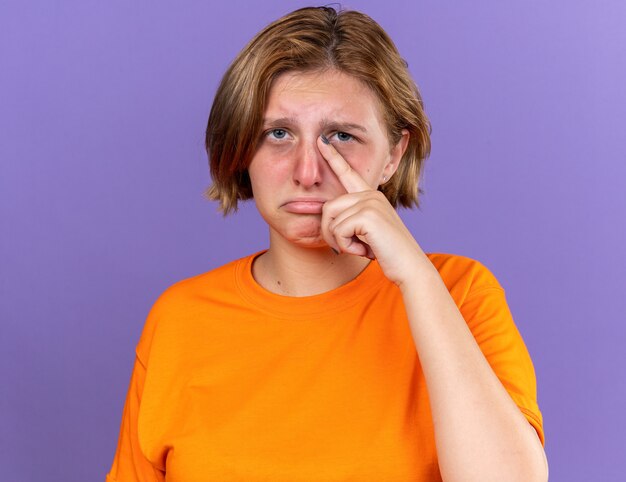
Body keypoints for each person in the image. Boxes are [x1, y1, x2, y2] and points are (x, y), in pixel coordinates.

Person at [106, 6, 547, 481]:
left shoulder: (460, 293)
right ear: (241, 148)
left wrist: (416, 277)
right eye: (278, 134)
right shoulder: (180, 318)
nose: (308, 172)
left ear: (393, 155)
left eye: (340, 136)